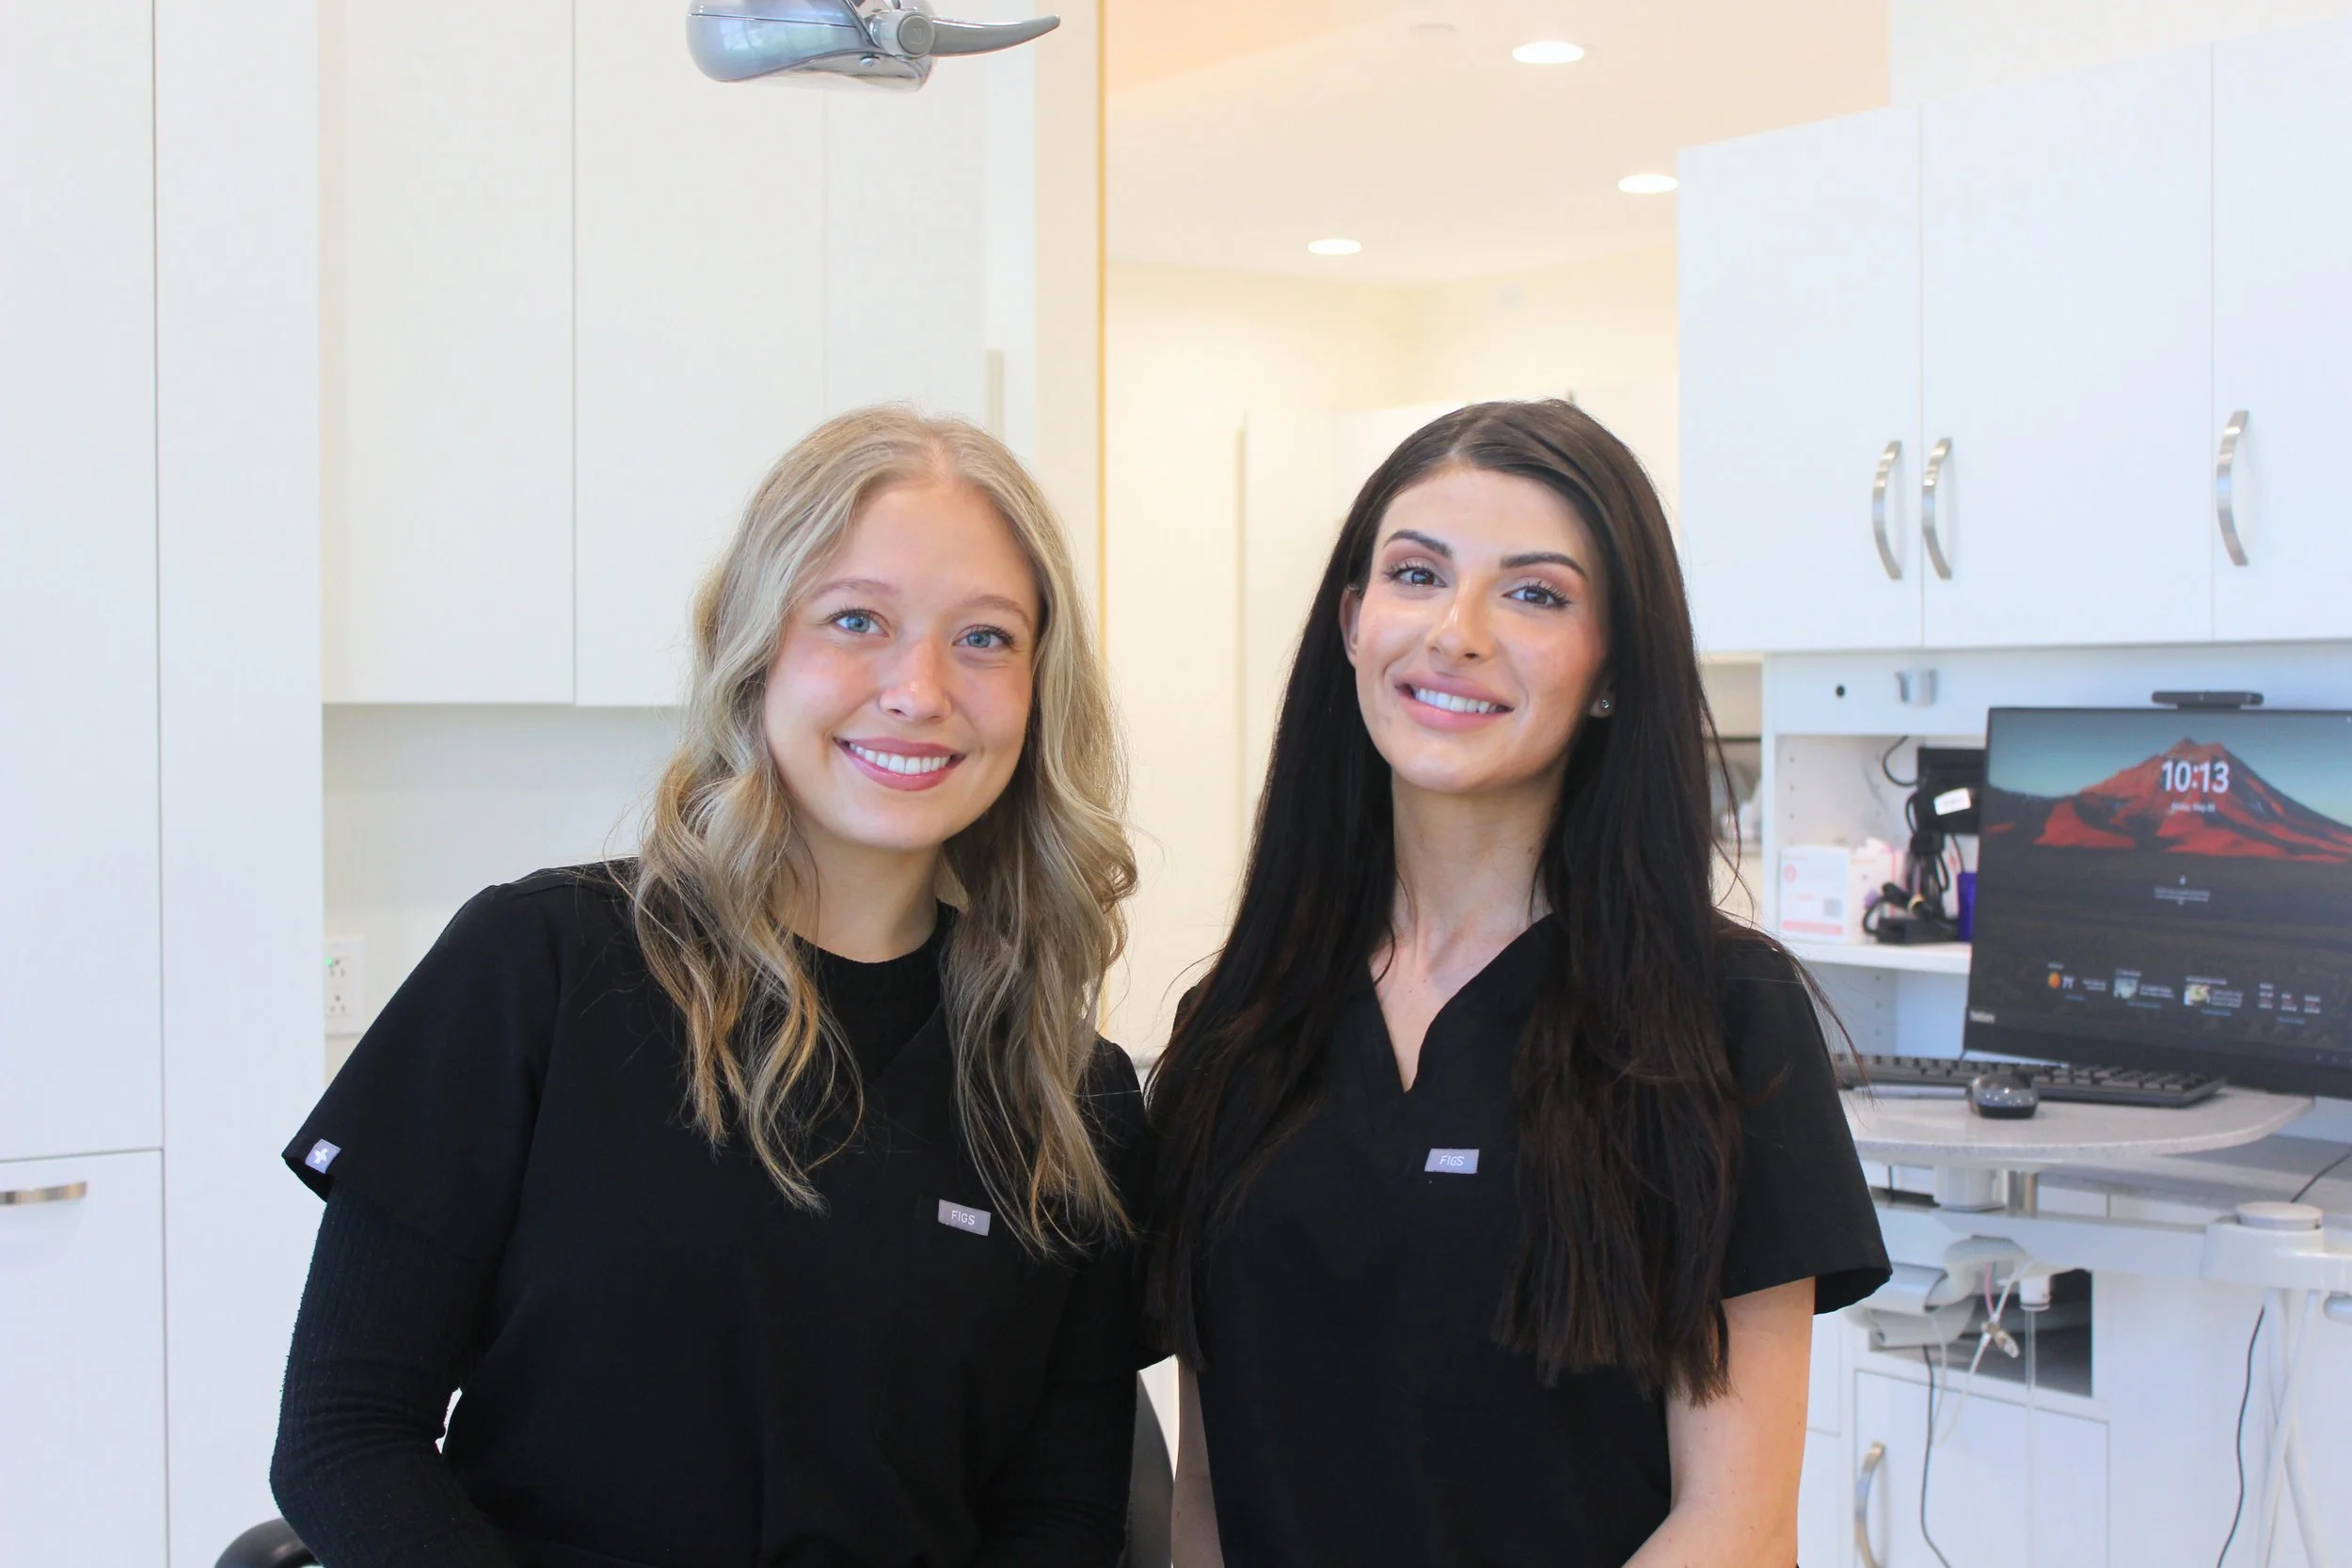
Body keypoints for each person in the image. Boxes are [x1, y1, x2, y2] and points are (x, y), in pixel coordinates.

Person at [271, 407, 1150, 1568]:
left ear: (1042, 689)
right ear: (754, 644)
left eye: (984, 638)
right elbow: (345, 1438)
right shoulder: (540, 967)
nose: (920, 688)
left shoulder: (1068, 1096)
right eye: (856, 619)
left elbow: (1061, 1518)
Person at [1147, 400, 1890, 1568]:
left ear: (1611, 672)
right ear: (1351, 622)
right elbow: (1208, 1491)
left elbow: (1735, 1523)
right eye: (1414, 574)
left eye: (1535, 593)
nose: (1456, 630)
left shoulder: (1721, 1021)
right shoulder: (1236, 1027)